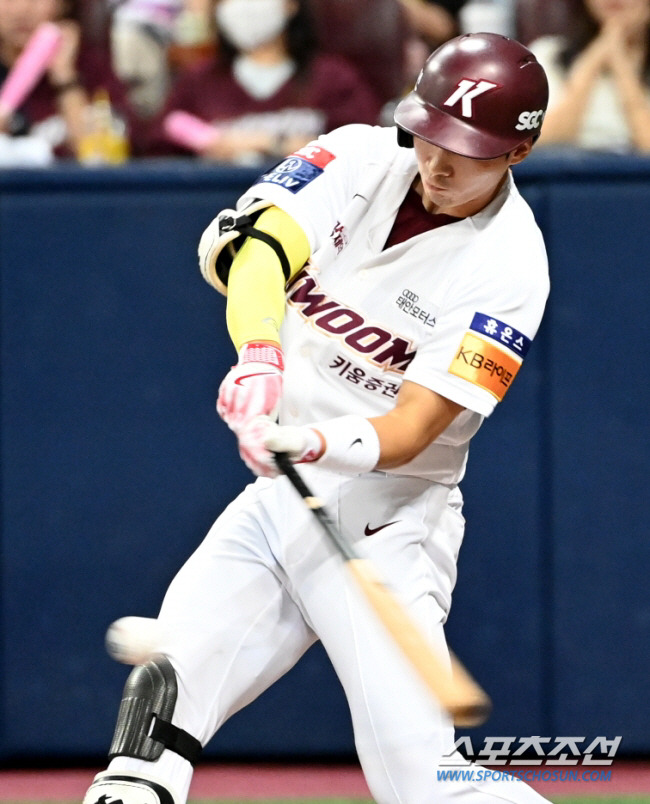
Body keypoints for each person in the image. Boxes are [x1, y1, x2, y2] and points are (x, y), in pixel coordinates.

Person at [83, 32, 552, 804]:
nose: (437, 160)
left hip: (387, 525)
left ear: (517, 151)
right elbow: (263, 251)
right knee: (149, 735)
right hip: (274, 504)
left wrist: (311, 438)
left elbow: (414, 431)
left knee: (427, 788)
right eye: (430, 132)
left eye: (465, 149)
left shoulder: (512, 265)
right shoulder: (359, 157)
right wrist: (260, 354)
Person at [146, 0, 381, 163]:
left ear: (291, 5)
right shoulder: (197, 81)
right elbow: (156, 150)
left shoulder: (334, 79)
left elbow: (367, 149)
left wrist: (272, 143)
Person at [0, 0, 131, 161]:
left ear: (64, 4)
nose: (22, 10)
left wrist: (65, 78)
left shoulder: (93, 68)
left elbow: (101, 157)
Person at [528, 0, 650, 151]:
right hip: (568, 172)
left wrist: (622, 69)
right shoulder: (548, 54)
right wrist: (595, 57)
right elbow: (536, 141)